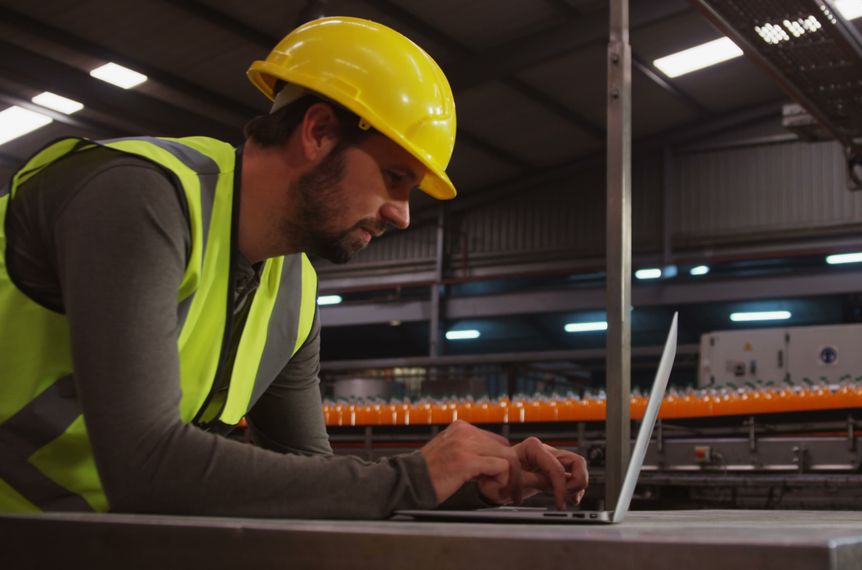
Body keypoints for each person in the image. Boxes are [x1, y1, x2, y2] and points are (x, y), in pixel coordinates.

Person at [0, 16, 587, 518]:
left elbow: (308, 479)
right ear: (319, 132)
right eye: (395, 178)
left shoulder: (292, 288)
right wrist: (410, 477)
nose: (403, 216)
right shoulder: (140, 197)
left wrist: (472, 482)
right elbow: (145, 466)